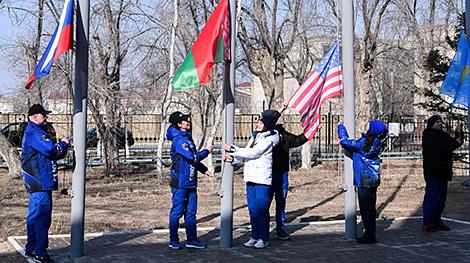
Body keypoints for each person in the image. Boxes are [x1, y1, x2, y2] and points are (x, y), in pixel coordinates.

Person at [224, 110, 280, 249]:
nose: (257, 124)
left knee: (262, 210)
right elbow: (246, 155)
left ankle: (263, 238)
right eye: (257, 122)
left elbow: (255, 152)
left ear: (267, 124)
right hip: (250, 178)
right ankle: (254, 236)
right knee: (253, 210)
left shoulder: (270, 138)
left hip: (262, 179)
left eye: (260, 122)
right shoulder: (255, 137)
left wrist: (233, 149)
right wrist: (233, 160)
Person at [22, 104, 70, 263]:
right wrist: (63, 143)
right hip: (40, 181)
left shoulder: (37, 132)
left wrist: (59, 147)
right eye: (43, 115)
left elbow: (51, 154)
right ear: (35, 117)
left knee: (35, 215)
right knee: (42, 217)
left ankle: (31, 249)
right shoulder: (35, 133)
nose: (46, 118)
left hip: (36, 180)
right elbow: (50, 150)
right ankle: (39, 252)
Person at [166, 111, 215, 250]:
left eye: (188, 119)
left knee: (191, 213)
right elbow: (192, 157)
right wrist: (206, 151)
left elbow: (193, 162)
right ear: (178, 124)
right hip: (180, 182)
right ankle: (173, 240)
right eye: (185, 120)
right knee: (177, 212)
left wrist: (205, 170)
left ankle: (192, 239)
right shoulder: (179, 140)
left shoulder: (187, 138)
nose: (188, 122)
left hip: (191, 181)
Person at [338, 120, 388, 244]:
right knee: (371, 209)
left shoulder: (363, 143)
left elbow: (345, 142)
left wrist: (340, 127)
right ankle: (371, 233)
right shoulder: (376, 142)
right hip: (373, 179)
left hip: (363, 180)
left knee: (366, 210)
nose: (366, 125)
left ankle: (369, 236)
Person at [270, 104, 308, 240]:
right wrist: (280, 109)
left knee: (281, 203)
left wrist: (309, 133)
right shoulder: (265, 134)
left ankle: (280, 228)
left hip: (282, 174)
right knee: (264, 204)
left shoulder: (284, 135)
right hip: (266, 175)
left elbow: (297, 140)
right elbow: (270, 120)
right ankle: (261, 232)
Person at [422, 115, 464, 232]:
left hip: (444, 172)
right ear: (431, 124)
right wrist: (455, 143)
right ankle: (428, 222)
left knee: (441, 199)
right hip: (433, 172)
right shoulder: (428, 135)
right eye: (437, 122)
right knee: (432, 198)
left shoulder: (443, 135)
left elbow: (454, 143)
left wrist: (458, 133)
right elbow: (442, 148)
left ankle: (437, 220)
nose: (440, 124)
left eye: (440, 121)